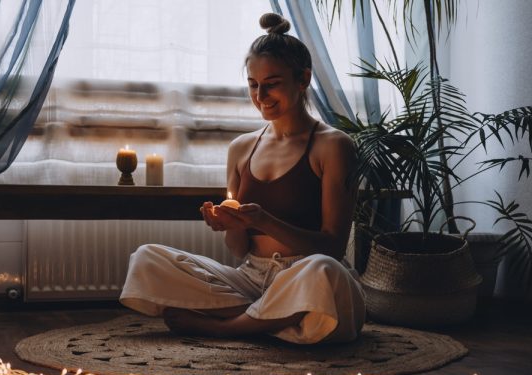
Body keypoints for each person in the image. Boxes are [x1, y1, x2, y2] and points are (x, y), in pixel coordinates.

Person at [120, 13, 365, 345]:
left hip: (304, 274)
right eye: (253, 84)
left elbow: (333, 247)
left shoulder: (333, 146)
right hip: (251, 278)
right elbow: (238, 250)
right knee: (148, 258)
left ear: (303, 78)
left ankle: (224, 326)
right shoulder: (241, 148)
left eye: (272, 83)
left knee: (326, 274)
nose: (260, 95)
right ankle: (276, 317)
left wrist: (264, 220)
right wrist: (231, 223)